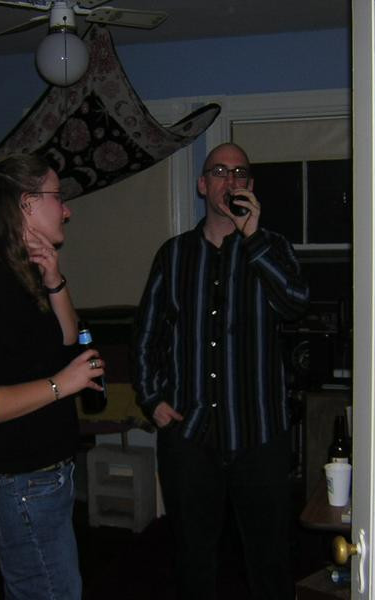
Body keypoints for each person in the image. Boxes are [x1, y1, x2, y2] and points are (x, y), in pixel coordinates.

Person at [132, 142, 310, 599]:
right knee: (193, 557)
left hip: (260, 433)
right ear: (202, 184)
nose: (231, 180)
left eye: (240, 172)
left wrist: (253, 238)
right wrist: (152, 398)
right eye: (219, 171)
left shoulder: (273, 247)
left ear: (250, 184)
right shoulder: (173, 255)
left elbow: (295, 305)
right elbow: (148, 334)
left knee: (270, 560)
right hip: (190, 435)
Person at [0, 154, 105, 600]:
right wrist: (61, 385)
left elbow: (67, 339)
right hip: (18, 484)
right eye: (58, 197)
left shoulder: (24, 273)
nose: (66, 210)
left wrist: (54, 279)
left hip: (40, 480)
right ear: (27, 204)